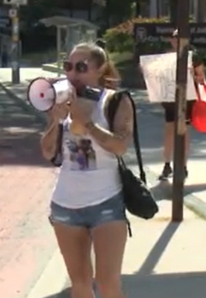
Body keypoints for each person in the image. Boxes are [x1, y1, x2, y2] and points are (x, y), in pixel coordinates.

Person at [39, 41, 133, 298]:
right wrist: (56, 122)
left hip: (106, 203)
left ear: (100, 69)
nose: (72, 74)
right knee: (79, 284)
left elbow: (121, 146)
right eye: (68, 66)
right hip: (65, 205)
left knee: (107, 282)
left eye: (81, 67)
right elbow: (48, 152)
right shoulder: (61, 102)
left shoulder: (115, 101)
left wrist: (88, 123)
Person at [158, 29, 206, 181]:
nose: (176, 41)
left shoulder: (193, 57)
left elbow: (201, 78)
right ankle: (167, 164)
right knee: (169, 131)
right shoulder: (166, 57)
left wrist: (193, 74)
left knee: (184, 132)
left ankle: (183, 166)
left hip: (187, 99)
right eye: (174, 38)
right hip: (170, 100)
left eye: (180, 38)